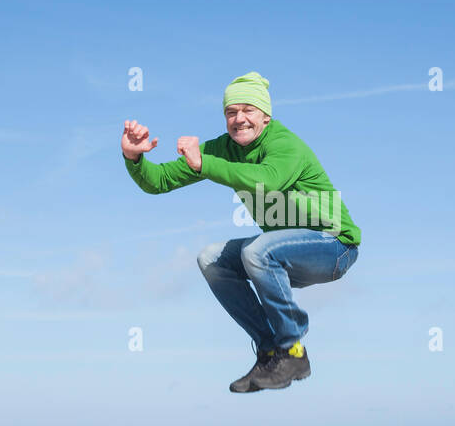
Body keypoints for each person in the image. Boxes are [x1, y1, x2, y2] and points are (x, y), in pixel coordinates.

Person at [121, 72, 360, 392]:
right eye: (231, 112)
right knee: (211, 259)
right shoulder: (222, 149)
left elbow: (269, 179)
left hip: (333, 246)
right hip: (283, 253)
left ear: (266, 116)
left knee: (257, 251)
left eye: (248, 110)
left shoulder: (284, 143)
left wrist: (204, 164)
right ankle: (270, 351)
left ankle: (293, 349)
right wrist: (134, 156)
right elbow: (159, 181)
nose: (239, 119)